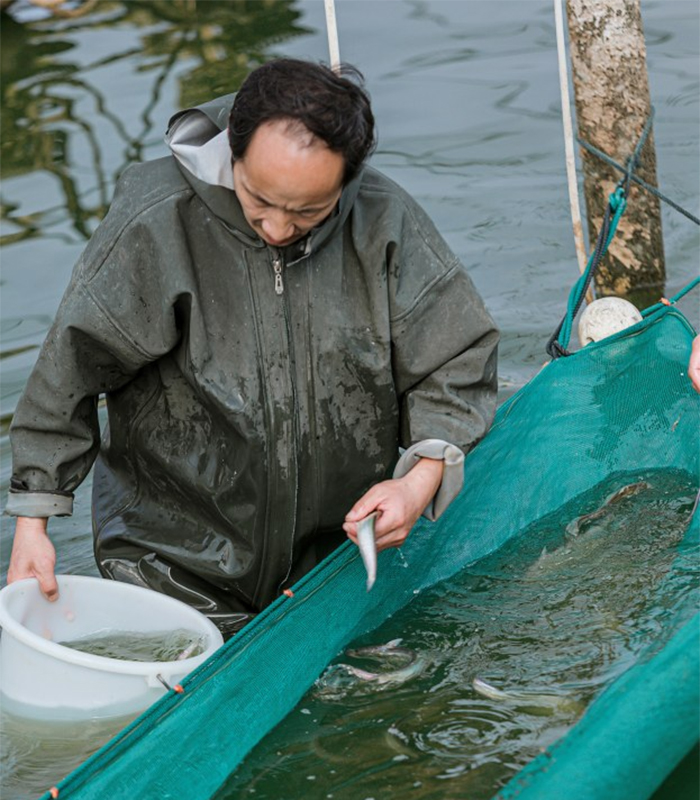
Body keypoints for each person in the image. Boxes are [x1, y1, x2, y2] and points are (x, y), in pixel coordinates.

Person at [6, 59, 499, 637]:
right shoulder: (156, 220)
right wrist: (34, 524)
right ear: (232, 155)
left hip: (342, 551)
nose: (277, 228)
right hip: (168, 564)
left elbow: (458, 359)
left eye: (308, 212)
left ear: (346, 180)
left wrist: (416, 483)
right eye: (258, 198)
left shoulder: (384, 220)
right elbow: (71, 369)